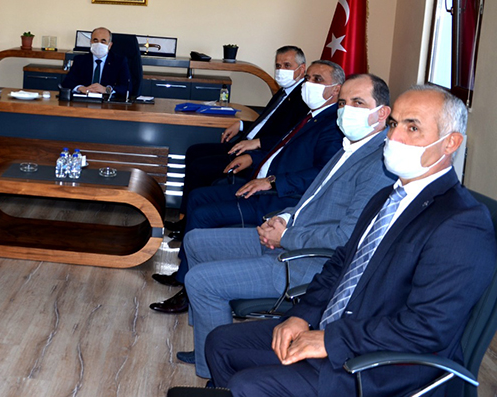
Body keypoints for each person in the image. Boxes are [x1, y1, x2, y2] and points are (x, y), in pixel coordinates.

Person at [205, 85, 497, 397]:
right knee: (220, 343)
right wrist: (303, 315)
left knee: (247, 385)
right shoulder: (386, 197)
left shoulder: (462, 222)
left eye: (412, 128)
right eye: (394, 124)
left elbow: (428, 328)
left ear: (451, 142)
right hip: (337, 329)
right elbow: (340, 265)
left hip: (381, 365)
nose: (394, 137)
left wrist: (331, 340)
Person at [174, 73, 395, 378]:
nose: (346, 110)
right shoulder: (350, 147)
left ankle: (215, 373)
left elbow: (346, 238)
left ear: (382, 113)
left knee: (201, 281)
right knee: (196, 241)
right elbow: (311, 201)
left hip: (310, 263)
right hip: (291, 237)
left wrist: (287, 236)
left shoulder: (379, 164)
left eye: (358, 102)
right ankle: (208, 341)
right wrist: (282, 219)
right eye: (343, 103)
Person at [151, 60, 345, 314]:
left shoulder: (333, 125)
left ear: (336, 89)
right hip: (259, 183)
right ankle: (183, 276)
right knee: (198, 197)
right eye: (308, 78)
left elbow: (322, 174)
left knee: (203, 214)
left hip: (278, 197)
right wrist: (253, 158)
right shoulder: (311, 116)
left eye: (317, 79)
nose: (308, 84)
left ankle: (190, 292)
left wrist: (272, 181)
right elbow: (281, 149)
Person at [176, 46, 308, 221]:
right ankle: (184, 215)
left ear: (302, 69)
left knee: (200, 167)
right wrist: (241, 125)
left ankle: (188, 218)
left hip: (260, 154)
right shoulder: (285, 91)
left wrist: (258, 144)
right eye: (278, 66)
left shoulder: (302, 99)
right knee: (194, 151)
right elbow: (266, 123)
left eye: (287, 65)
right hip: (245, 143)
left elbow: (291, 138)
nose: (281, 70)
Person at [60, 27, 132, 98]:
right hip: (84, 100)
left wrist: (106, 90)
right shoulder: (80, 60)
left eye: (103, 41)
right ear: (91, 42)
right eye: (95, 40)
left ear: (110, 45)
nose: (99, 44)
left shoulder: (119, 62)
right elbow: (67, 83)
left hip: (107, 102)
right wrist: (80, 88)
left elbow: (127, 87)